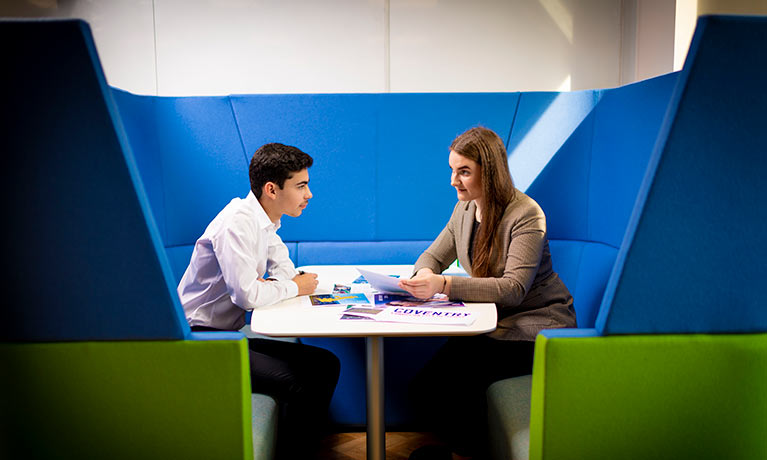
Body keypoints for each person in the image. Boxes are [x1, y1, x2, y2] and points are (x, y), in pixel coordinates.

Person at [398, 127, 576, 460]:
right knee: (425, 388)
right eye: (452, 170)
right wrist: (424, 274)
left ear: (489, 171)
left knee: (458, 390)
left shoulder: (526, 214)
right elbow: (434, 256)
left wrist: (445, 285)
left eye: (464, 171)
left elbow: (513, 289)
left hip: (532, 327)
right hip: (488, 321)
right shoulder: (464, 209)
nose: (454, 180)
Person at [177, 142, 340, 460]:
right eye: (301, 185)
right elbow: (248, 295)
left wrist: (286, 285)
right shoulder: (238, 222)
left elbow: (286, 273)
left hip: (225, 335)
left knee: (326, 364)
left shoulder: (264, 222)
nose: (309, 194)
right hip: (197, 342)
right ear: (272, 189)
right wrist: (291, 286)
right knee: (302, 383)